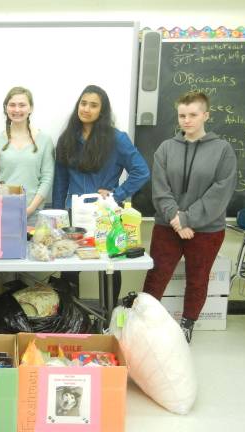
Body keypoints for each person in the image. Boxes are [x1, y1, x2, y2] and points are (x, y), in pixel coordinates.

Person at [142, 91, 237, 343]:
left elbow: (221, 191)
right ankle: (142, 323)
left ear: (205, 115)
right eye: (182, 115)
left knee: (197, 278)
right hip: (167, 226)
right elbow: (160, 189)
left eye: (193, 115)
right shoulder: (165, 148)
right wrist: (176, 219)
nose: (187, 120)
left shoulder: (222, 150)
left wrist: (187, 219)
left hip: (206, 230)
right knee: (157, 274)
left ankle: (187, 325)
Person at [52, 84, 150, 302]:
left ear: (102, 111)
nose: (86, 109)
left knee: (109, 267)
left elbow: (141, 171)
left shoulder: (117, 139)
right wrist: (58, 217)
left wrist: (117, 195)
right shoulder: (66, 139)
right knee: (69, 267)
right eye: (83, 103)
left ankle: (110, 316)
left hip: (106, 215)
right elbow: (60, 182)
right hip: (73, 216)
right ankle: (72, 316)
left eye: (93, 105)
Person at [0, 86, 54, 226]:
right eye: (12, 105)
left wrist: (30, 209)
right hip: (3, 214)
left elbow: (47, 178)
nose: (17, 110)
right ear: (6, 108)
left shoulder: (45, 140)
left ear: (31, 108)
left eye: (22, 105)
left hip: (35, 215)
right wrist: (1, 208)